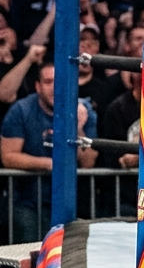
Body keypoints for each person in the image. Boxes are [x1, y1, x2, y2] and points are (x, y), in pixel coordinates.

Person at [0, 63, 97, 241]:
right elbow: (8, 157)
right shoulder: (21, 110)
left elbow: (88, 162)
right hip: (26, 201)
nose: (54, 87)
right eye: (48, 81)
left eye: (59, 82)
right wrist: (50, 164)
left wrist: (78, 128)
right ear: (38, 86)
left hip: (69, 202)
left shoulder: (83, 111)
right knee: (30, 246)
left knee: (69, 251)